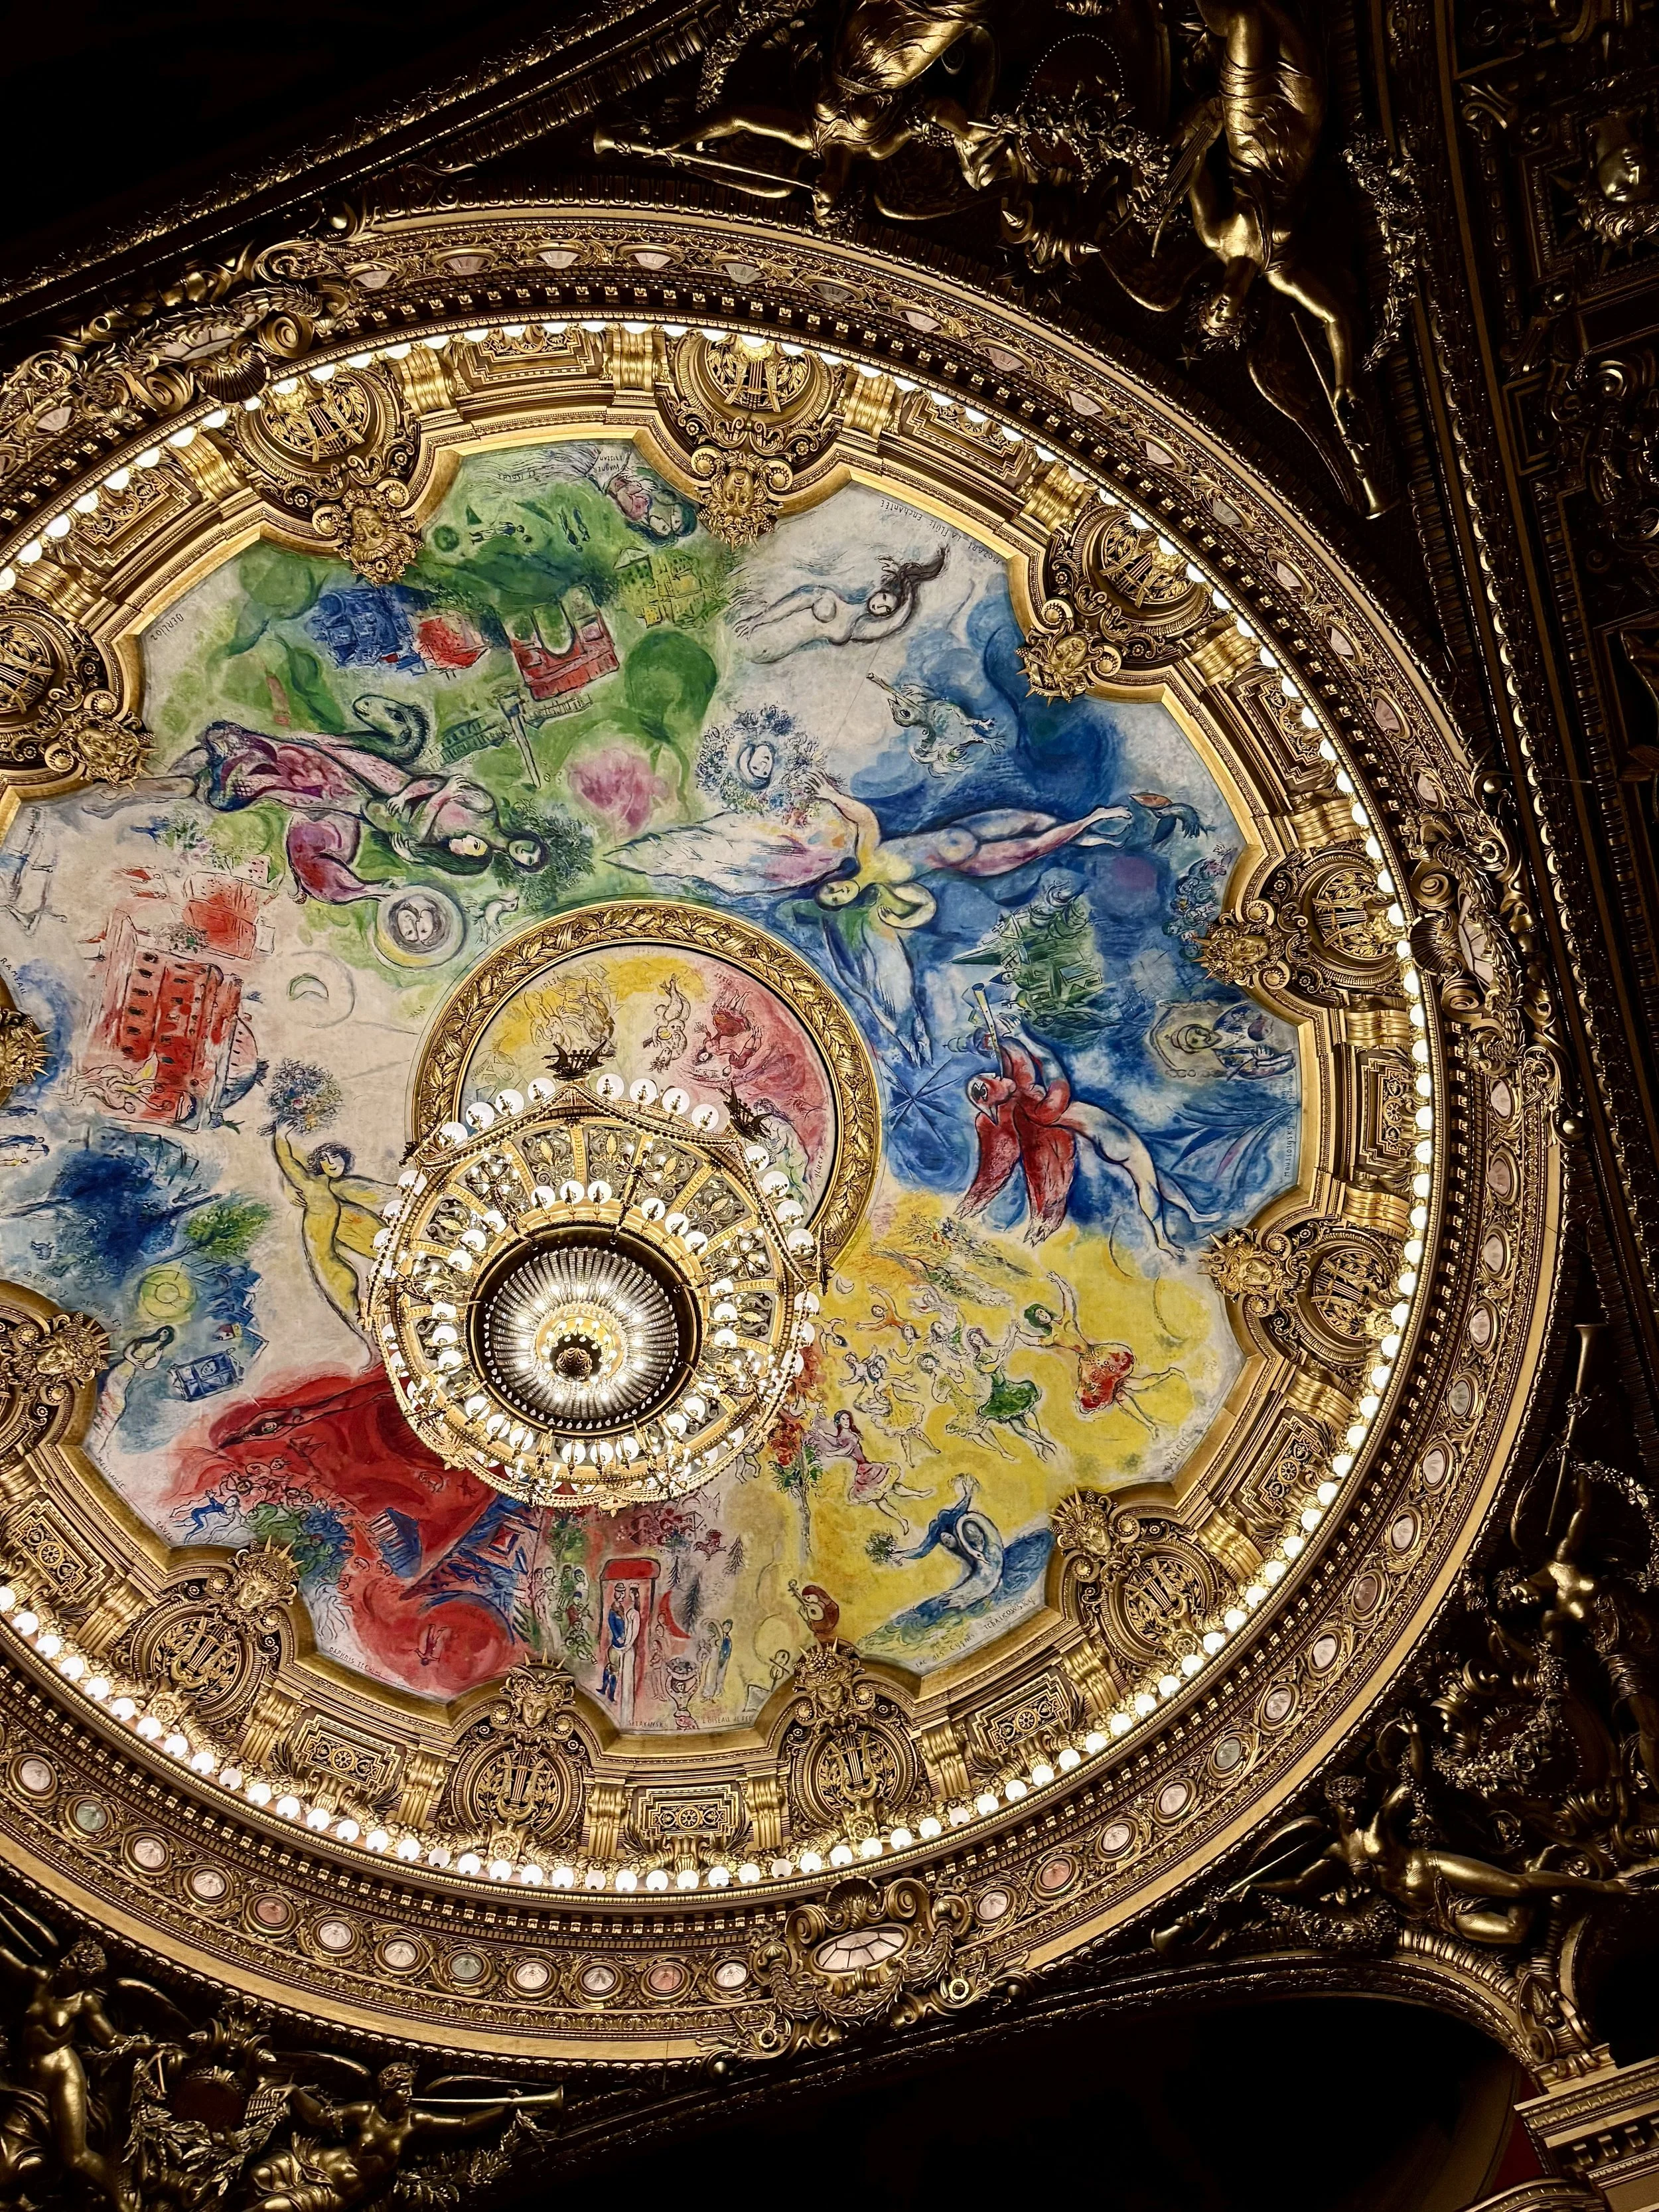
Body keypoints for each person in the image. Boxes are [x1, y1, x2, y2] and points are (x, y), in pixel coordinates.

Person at [271, 1134, 391, 1332]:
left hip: (383, 1247)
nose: (331, 1163)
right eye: (324, 1160)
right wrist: (280, 1137)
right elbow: (290, 1164)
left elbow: (388, 1195)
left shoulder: (344, 1186)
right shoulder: (315, 1190)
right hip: (354, 1255)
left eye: (334, 1156)